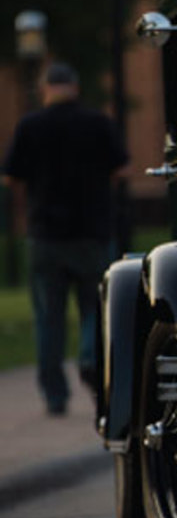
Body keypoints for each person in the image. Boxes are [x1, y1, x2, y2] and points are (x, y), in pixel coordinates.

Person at [2, 63, 129, 415]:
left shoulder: (30, 126)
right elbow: (121, 169)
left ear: (45, 89)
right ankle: (89, 356)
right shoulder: (98, 123)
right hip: (93, 231)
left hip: (45, 235)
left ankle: (55, 396)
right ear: (75, 87)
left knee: (48, 318)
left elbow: (12, 176)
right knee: (95, 307)